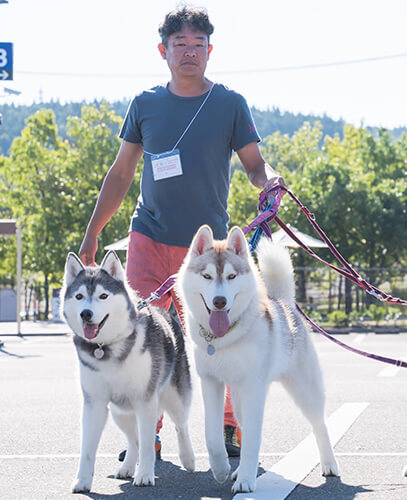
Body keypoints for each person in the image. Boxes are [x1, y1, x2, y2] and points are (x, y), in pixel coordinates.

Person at [79, 5, 283, 458]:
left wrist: (269, 180)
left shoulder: (230, 103)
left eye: (197, 45)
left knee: (222, 334)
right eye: (180, 45)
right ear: (163, 50)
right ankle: (143, 434)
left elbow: (254, 165)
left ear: (210, 50)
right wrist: (94, 231)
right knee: (138, 336)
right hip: (147, 239)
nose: (189, 53)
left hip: (207, 256)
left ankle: (230, 427)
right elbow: (120, 174)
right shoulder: (145, 105)